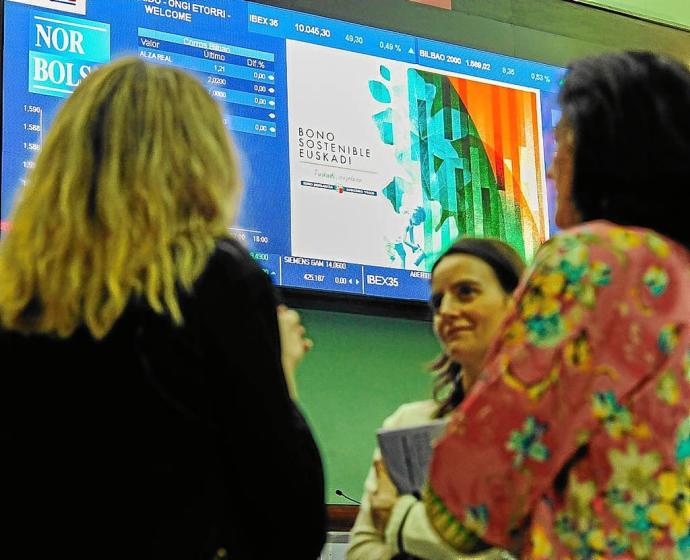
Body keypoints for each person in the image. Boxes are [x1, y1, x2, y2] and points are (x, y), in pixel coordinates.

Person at [0, 57, 326, 560]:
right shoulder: (215, 278)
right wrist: (278, 371)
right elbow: (288, 528)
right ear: (203, 163)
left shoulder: (13, 289)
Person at [425, 51, 690, 559]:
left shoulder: (595, 262)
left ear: (607, 151)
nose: (549, 169)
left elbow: (465, 504)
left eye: (563, 140)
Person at [347, 238, 525, 560]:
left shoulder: (547, 430)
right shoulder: (407, 424)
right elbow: (361, 550)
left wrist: (399, 518)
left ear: (515, 302)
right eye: (438, 301)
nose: (447, 312)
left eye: (466, 292)